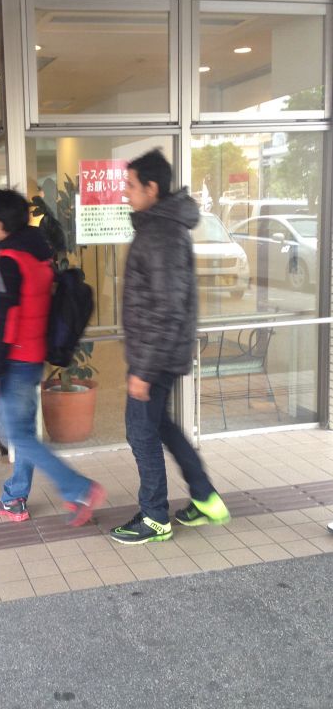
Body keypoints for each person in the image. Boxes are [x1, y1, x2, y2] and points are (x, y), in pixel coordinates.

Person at [109, 149, 230, 546]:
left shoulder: (160, 234)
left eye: (130, 186)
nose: (125, 193)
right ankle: (205, 497)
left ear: (151, 188)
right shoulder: (160, 228)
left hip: (155, 356)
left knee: (140, 432)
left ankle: (154, 516)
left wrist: (143, 371)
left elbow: (167, 308)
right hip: (161, 352)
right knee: (160, 425)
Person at [0, 188, 105, 526]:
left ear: (0, 222)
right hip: (33, 358)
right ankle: (14, 497)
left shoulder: (8, 260)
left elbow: (6, 322)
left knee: (17, 436)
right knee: (24, 434)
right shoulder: (39, 255)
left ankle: (78, 488)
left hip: (14, 361)